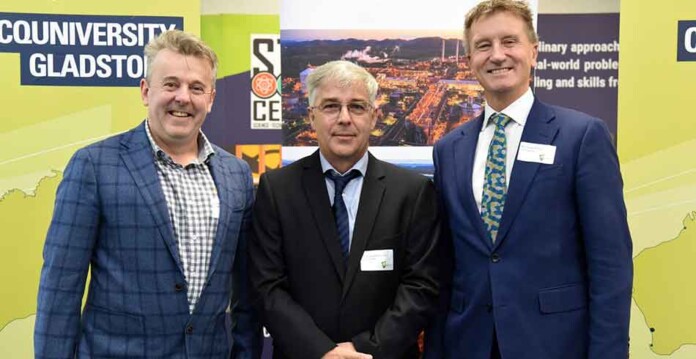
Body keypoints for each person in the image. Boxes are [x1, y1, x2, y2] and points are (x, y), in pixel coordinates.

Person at [424, 1, 633, 358]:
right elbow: (446, 266)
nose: (497, 55)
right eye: (484, 45)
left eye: (510, 41)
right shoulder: (449, 150)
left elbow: (610, 264)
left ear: (533, 52)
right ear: (470, 58)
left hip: (554, 344)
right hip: (468, 344)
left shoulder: (581, 137)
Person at [34, 30, 261, 358]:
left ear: (210, 99)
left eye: (196, 88)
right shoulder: (93, 166)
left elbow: (246, 291)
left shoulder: (236, 175)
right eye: (171, 84)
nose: (183, 97)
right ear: (145, 91)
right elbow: (60, 289)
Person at [249, 60, 442, 359]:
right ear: (312, 117)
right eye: (330, 106)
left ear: (374, 117)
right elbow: (267, 287)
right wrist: (322, 352)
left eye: (357, 107)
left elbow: (421, 285)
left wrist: (366, 349)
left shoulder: (412, 192)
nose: (344, 118)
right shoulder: (277, 189)